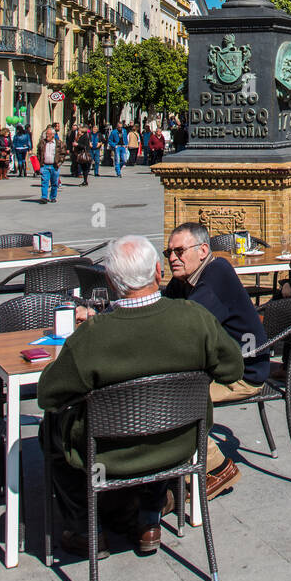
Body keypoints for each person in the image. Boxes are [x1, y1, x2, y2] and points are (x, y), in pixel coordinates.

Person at [38, 235, 244, 557]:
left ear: (110, 280)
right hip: (178, 445)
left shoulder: (91, 336)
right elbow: (232, 369)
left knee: (51, 427)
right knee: (157, 424)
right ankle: (149, 520)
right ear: (159, 272)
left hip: (108, 455)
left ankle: (85, 529)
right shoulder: (195, 319)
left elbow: (49, 395)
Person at [163, 222, 271, 498]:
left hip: (241, 375)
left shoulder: (216, 274)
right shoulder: (185, 280)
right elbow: (164, 312)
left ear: (202, 250)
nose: (173, 258)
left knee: (171, 400)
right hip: (212, 367)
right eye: (168, 253)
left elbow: (185, 325)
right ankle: (171, 470)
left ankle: (218, 466)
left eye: (178, 251)